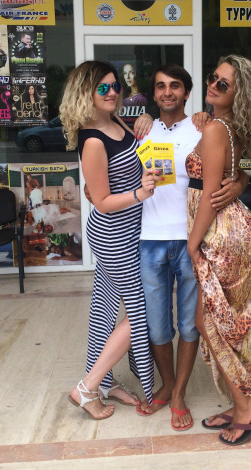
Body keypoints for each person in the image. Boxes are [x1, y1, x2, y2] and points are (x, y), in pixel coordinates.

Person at [132, 64, 248, 431]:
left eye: (175, 86)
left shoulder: (202, 127)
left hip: (191, 239)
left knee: (189, 324)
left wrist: (240, 183)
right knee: (156, 326)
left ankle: (179, 393)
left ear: (186, 91)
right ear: (153, 94)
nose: (167, 92)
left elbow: (234, 167)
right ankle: (167, 384)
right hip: (149, 239)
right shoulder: (141, 130)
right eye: (160, 86)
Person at [60, 60, 158, 420]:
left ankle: (104, 383)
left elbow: (137, 150)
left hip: (129, 230)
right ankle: (87, 389)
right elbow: (100, 200)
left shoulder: (115, 121)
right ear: (85, 92)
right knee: (143, 313)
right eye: (103, 87)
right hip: (115, 234)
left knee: (104, 309)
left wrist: (145, 119)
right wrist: (140, 194)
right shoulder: (92, 141)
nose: (113, 92)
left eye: (115, 86)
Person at [186, 55, 251, 445]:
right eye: (213, 78)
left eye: (224, 84)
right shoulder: (226, 125)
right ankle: (241, 402)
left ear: (239, 94)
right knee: (219, 321)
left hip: (220, 234)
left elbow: (208, 197)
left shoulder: (216, 129)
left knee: (209, 322)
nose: (214, 85)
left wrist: (192, 243)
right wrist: (238, 183)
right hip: (232, 230)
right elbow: (236, 175)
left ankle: (245, 406)